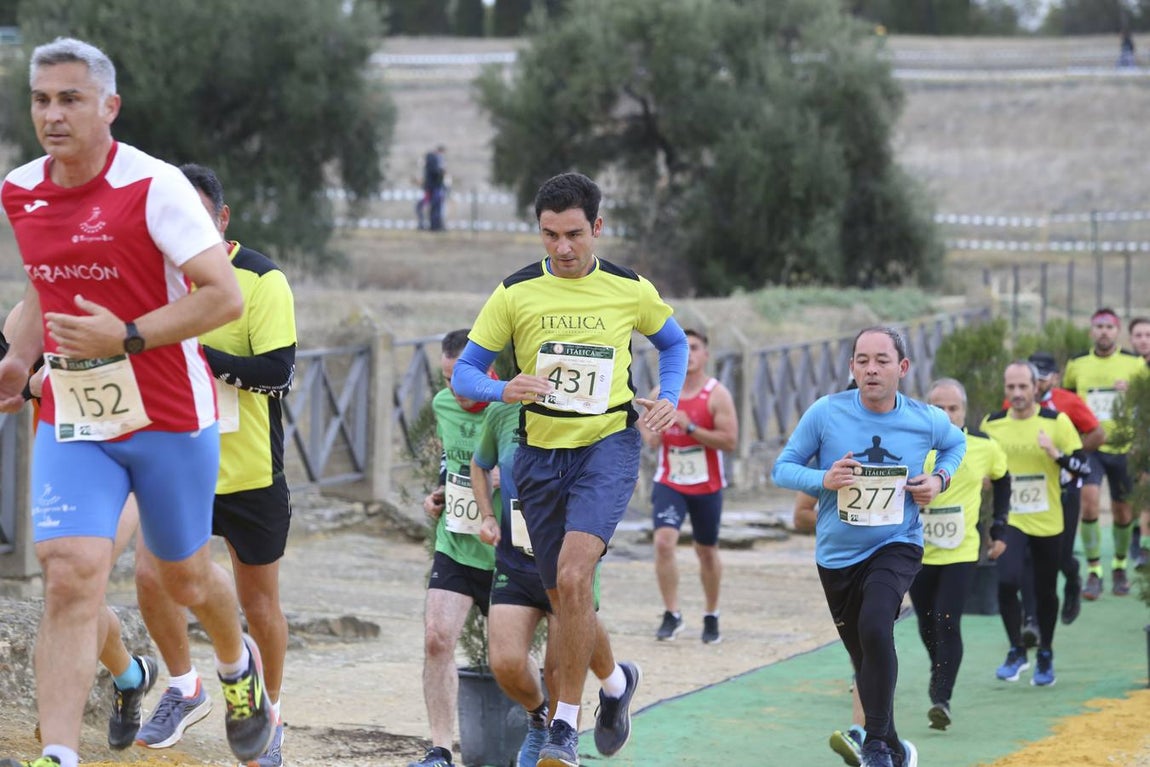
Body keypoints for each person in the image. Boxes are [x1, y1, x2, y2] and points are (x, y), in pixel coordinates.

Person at [0, 37, 272, 767]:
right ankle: (58, 753)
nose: (52, 115)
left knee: (182, 576)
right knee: (69, 571)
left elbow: (223, 295)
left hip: (169, 416)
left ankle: (237, 664)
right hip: (76, 412)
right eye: (41, 99)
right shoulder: (20, 188)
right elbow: (44, 286)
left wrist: (124, 335)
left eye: (70, 98)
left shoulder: (155, 187)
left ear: (109, 106)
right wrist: (17, 358)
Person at [451, 171, 689, 767]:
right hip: (537, 456)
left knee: (576, 579)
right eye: (550, 235)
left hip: (606, 446)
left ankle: (563, 725)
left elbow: (675, 343)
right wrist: (506, 388)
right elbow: (465, 376)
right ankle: (615, 684)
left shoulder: (630, 289)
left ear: (597, 228)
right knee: (563, 596)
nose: (562, 248)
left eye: (574, 234)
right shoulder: (514, 293)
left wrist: (670, 394)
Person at [133, 164, 297, 767]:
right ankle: (184, 686)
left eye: (197, 217)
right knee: (151, 578)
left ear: (221, 220)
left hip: (248, 468)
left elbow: (278, 372)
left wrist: (197, 353)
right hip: (174, 459)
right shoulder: (151, 276)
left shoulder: (260, 278)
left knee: (260, 606)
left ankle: (269, 713)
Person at [771, 326, 966, 767]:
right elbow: (781, 469)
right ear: (851, 367)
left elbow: (956, 443)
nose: (871, 369)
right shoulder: (826, 413)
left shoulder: (924, 418)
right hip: (837, 557)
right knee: (865, 658)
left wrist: (939, 479)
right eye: (862, 360)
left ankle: (875, 745)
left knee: (877, 626)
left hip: (896, 544)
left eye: (881, 360)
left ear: (902, 368)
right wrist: (823, 479)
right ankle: (897, 748)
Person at [2, 304, 157, 751]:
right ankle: (131, 675)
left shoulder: (143, 301)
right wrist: (30, 382)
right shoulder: (30, 312)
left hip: (129, 462)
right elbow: (12, 377)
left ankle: (57, 737)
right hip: (64, 466)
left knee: (76, 590)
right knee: (72, 591)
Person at [408, 329, 498, 767]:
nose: (453, 390)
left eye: (461, 378)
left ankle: (542, 729)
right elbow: (452, 462)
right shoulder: (444, 405)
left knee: (511, 664)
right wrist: (437, 493)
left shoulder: (515, 407)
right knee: (436, 639)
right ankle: (440, 750)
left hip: (507, 552)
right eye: (446, 380)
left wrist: (507, 479)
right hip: (457, 542)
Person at [909, 378, 1010, 731]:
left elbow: (1003, 478)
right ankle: (941, 668)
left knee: (947, 620)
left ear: (965, 411)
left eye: (954, 408)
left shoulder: (982, 445)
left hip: (961, 550)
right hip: (918, 551)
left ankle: (942, 697)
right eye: (939, 408)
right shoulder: (913, 444)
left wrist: (999, 526)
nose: (948, 415)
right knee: (925, 622)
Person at [981, 361, 1088, 688]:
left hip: (1048, 518)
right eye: (1010, 387)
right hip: (1011, 518)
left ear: (1035, 388)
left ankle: (1046, 653)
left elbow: (1082, 467)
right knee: (1007, 581)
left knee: (1044, 592)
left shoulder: (1057, 422)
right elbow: (980, 464)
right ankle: (1016, 650)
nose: (1016, 393)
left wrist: (1055, 454)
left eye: (1022, 387)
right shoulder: (992, 424)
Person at [639, 328, 737, 644]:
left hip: (707, 484)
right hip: (670, 480)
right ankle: (672, 614)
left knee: (706, 550)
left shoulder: (716, 394)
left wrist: (689, 426)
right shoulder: (661, 392)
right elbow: (647, 433)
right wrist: (652, 432)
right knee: (664, 542)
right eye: (686, 348)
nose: (691, 354)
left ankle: (711, 614)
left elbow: (730, 441)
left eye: (696, 348)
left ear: (706, 355)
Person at [1015, 351, 1104, 635]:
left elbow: (1098, 433)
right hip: (1026, 492)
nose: (1038, 383)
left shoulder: (1068, 402)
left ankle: (1073, 579)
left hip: (1064, 489)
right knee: (1028, 556)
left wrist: (1069, 457)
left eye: (1043, 378)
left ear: (1054, 378)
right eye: (1034, 378)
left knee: (1060, 556)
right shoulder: (1012, 403)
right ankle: (1031, 620)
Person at [1062, 308, 1147, 598]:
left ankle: (1120, 566)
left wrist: (1133, 389)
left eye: (1109, 327)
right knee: (1089, 502)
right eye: (1098, 326)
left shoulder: (1135, 364)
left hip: (1125, 445)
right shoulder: (1076, 364)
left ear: (1117, 331)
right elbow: (1067, 402)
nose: (1103, 332)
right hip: (1091, 446)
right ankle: (1094, 570)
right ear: (1091, 331)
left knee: (1124, 511)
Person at [1127, 316, 1150, 570]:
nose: (1144, 340)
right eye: (1139, 335)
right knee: (1136, 494)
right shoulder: (1125, 368)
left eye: (1148, 335)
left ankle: (1143, 545)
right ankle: (1137, 538)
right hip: (1132, 441)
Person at [418, 145, 447, 232]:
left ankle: (432, 225)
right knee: (434, 207)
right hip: (433, 188)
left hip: (432, 188)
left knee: (432, 207)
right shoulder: (433, 159)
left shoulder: (432, 159)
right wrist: (442, 172)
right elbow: (436, 173)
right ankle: (434, 226)